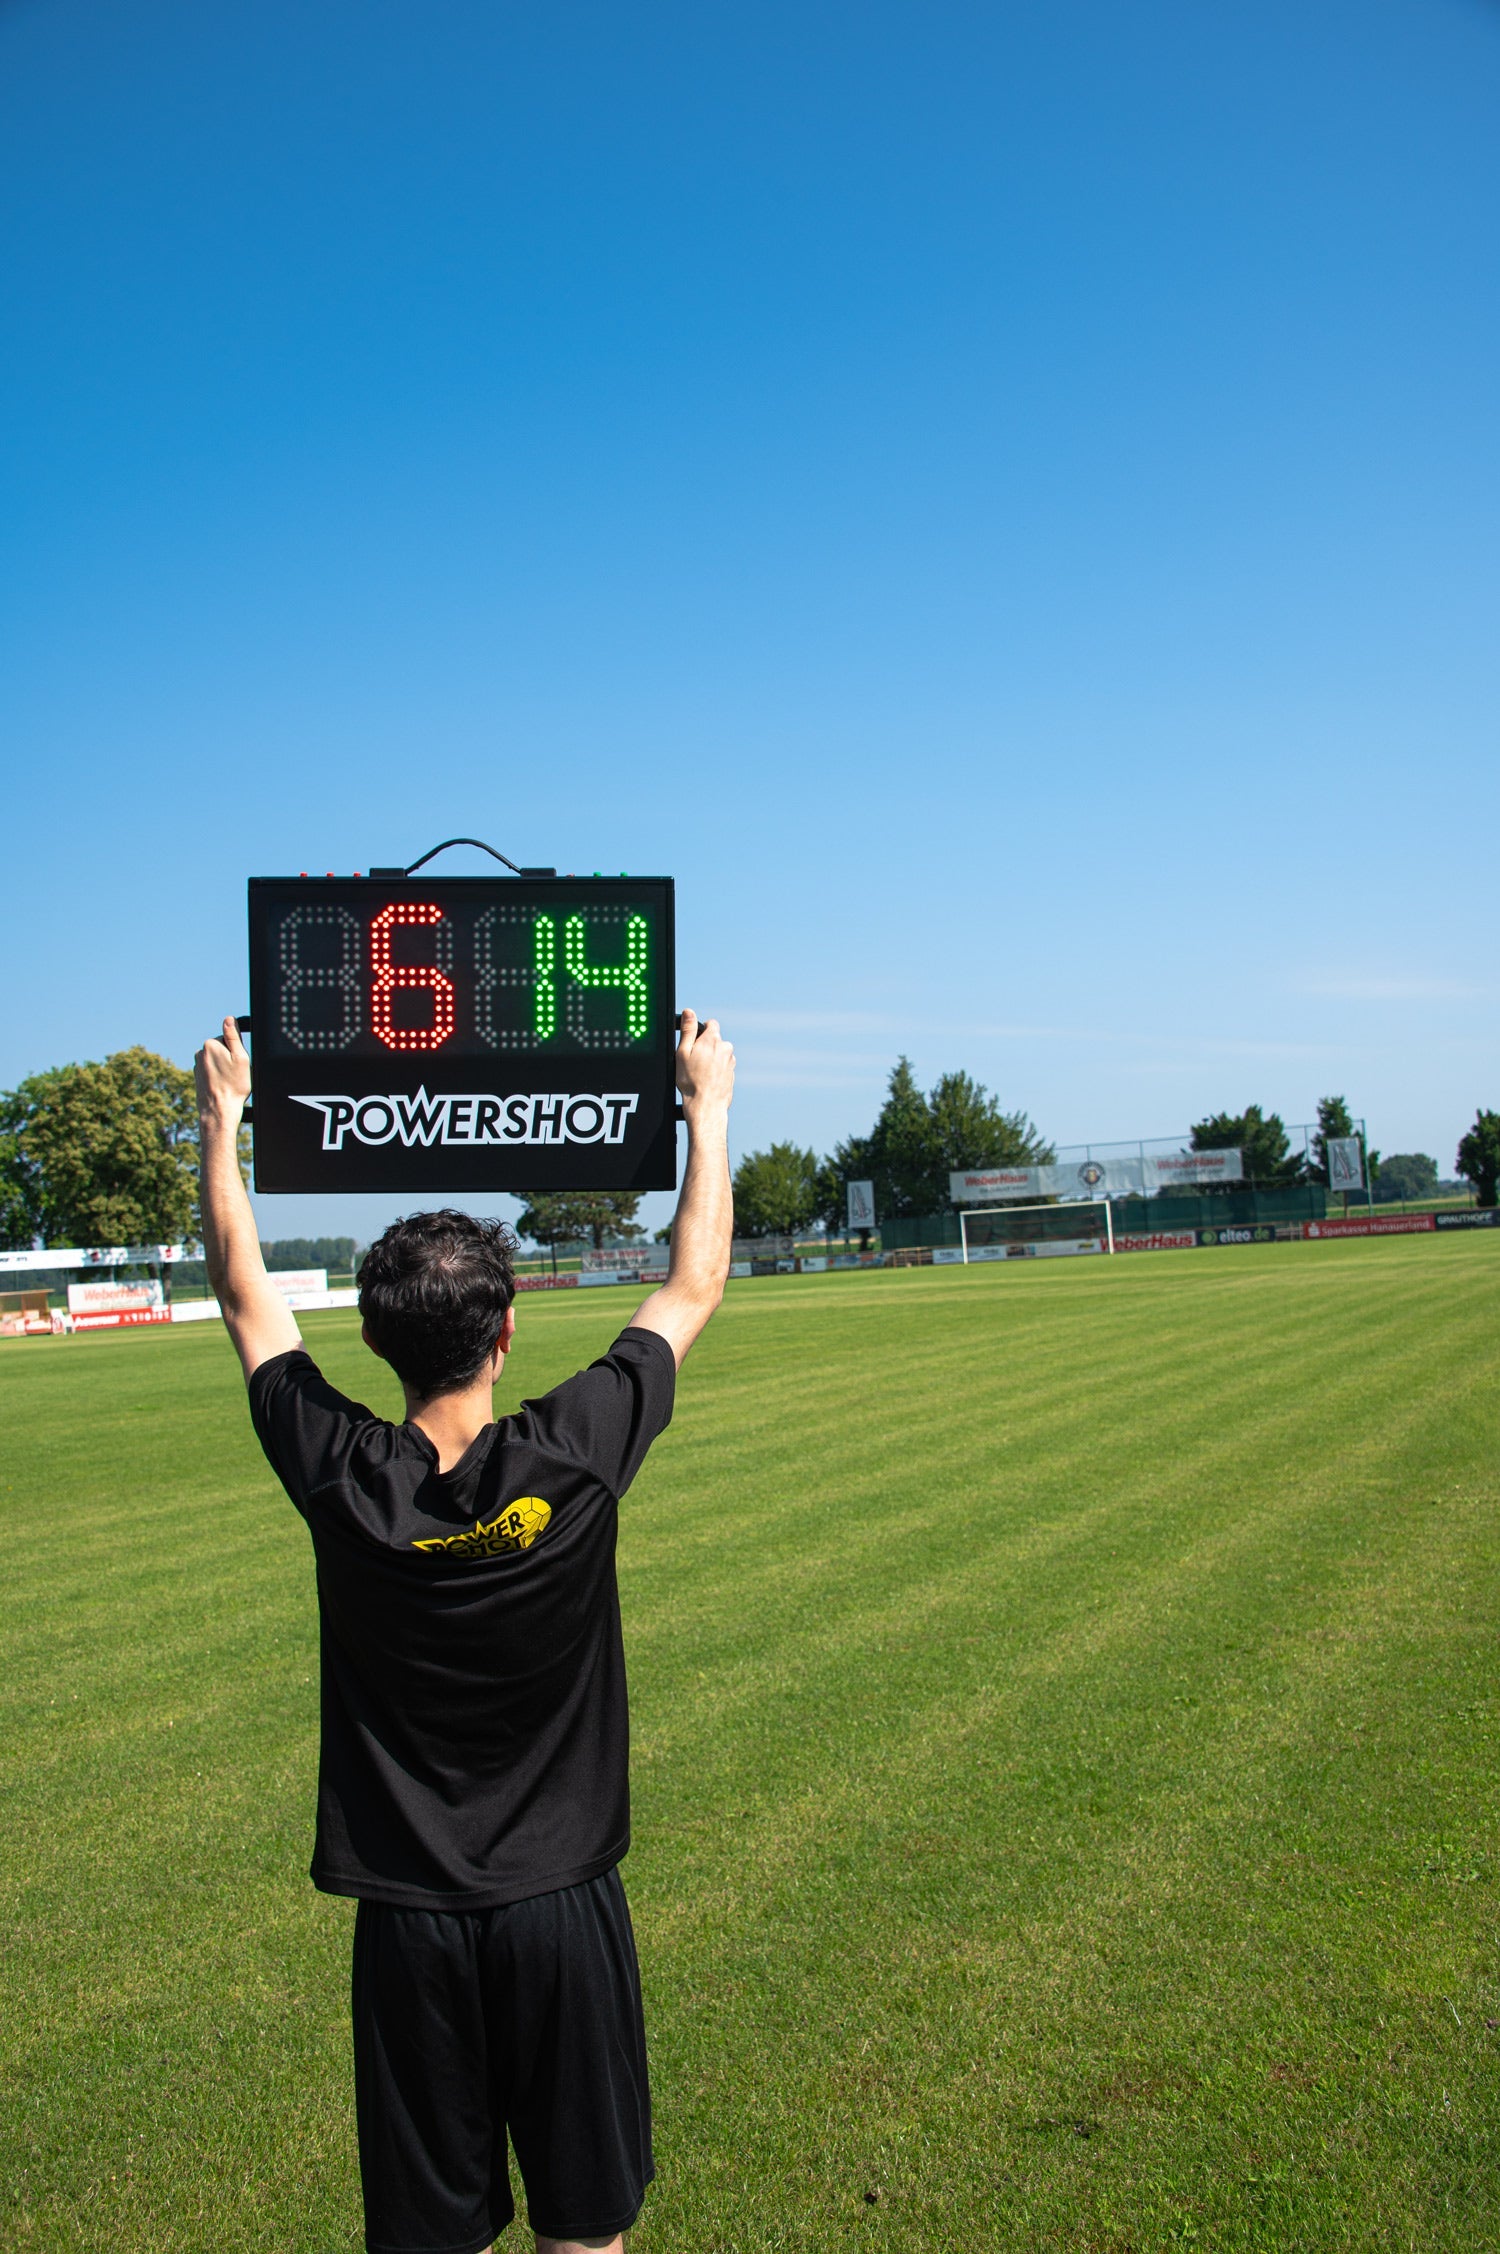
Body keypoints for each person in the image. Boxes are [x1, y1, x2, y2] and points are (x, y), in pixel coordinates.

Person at [194, 1010, 736, 2254]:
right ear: (505, 1334)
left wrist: (221, 1121)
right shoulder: (575, 1454)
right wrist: (708, 1105)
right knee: (585, 2231)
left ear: (374, 1342)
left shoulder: (344, 1475)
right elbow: (691, 1282)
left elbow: (243, 1298)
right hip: (562, 1909)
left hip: (410, 1926)